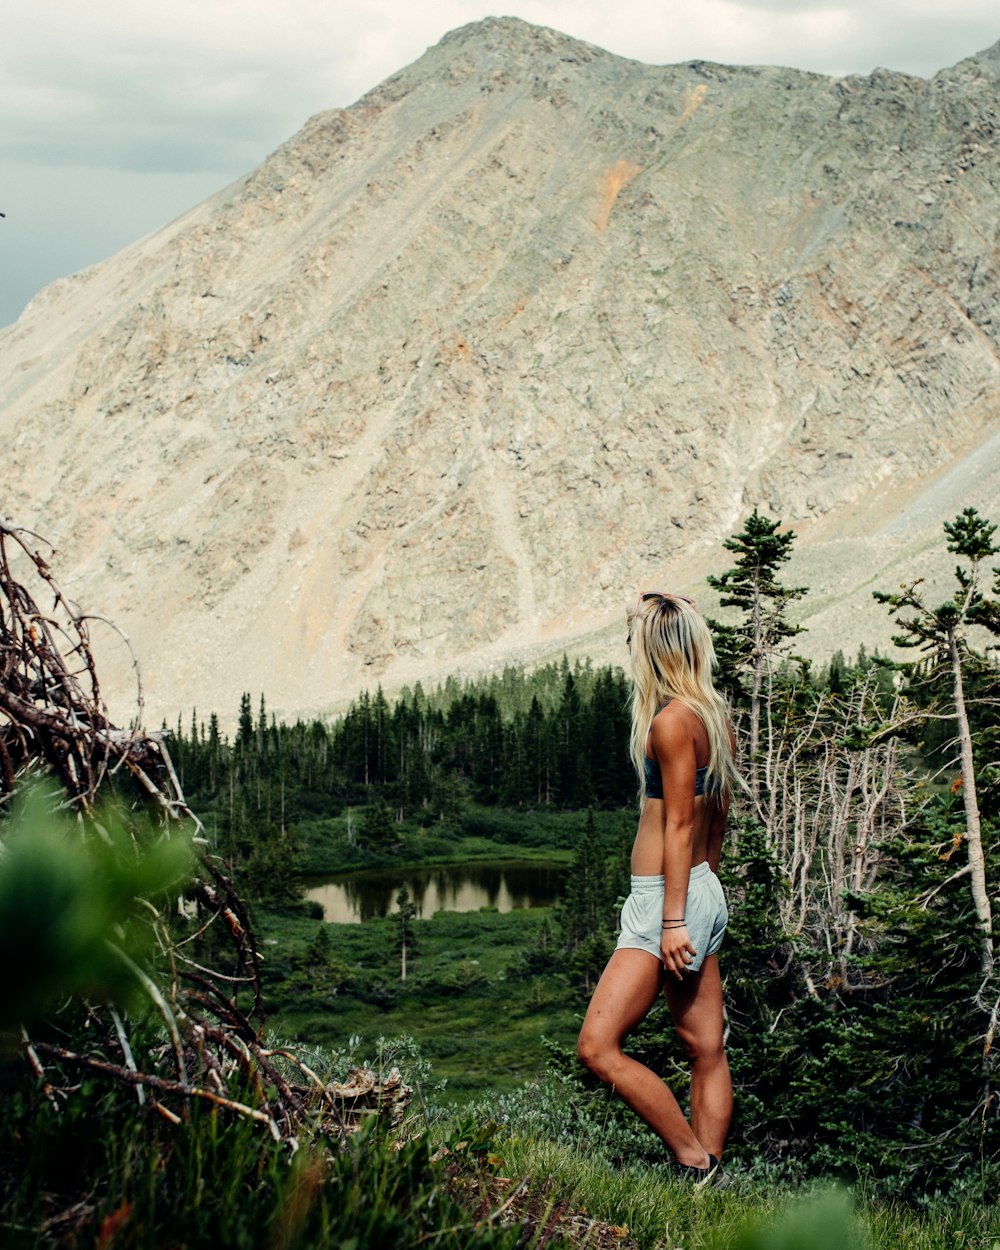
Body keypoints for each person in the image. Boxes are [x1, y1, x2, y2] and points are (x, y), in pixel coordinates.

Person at [577, 591, 739, 1186]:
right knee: (704, 1046)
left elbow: (678, 821)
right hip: (698, 889)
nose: (628, 651)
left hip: (663, 902)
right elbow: (717, 810)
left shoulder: (672, 721)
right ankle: (711, 1179)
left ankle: (693, 1163)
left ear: (653, 651)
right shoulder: (710, 713)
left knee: (597, 1046)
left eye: (633, 641)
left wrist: (674, 920)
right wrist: (705, 891)